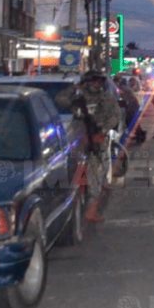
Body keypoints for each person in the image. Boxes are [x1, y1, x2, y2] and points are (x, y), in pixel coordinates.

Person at [57, 70, 122, 224]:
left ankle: (91, 211)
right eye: (92, 81)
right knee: (76, 177)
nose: (96, 84)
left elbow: (115, 116)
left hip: (97, 142)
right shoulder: (77, 97)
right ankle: (76, 207)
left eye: (98, 81)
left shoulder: (106, 98)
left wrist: (102, 131)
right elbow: (60, 100)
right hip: (78, 142)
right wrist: (76, 87)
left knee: (96, 177)